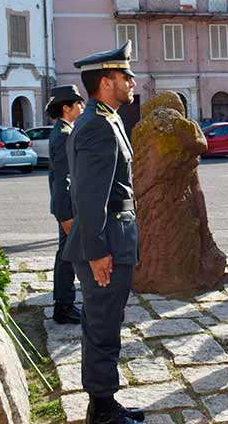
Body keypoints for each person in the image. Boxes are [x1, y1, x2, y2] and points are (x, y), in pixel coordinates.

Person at [62, 42, 144, 424]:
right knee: (101, 325)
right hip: (106, 240)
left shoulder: (104, 118)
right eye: (126, 75)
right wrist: (97, 252)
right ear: (107, 81)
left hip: (113, 235)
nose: (132, 81)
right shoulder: (96, 125)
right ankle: (101, 408)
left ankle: (105, 402)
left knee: (107, 323)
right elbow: (90, 197)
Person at [47, 84, 86, 324]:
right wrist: (65, 215)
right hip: (67, 208)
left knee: (67, 255)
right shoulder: (63, 135)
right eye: (78, 103)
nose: (82, 107)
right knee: (66, 256)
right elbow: (62, 179)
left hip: (68, 206)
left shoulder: (65, 130)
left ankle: (64, 304)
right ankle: (63, 306)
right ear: (66, 108)